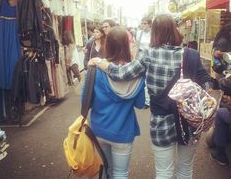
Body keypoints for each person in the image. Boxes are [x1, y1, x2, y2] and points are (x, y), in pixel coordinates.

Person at [89, 14, 213, 179]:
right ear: (175, 30)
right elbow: (207, 84)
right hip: (189, 122)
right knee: (185, 169)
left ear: (154, 33)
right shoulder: (191, 54)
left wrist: (99, 62)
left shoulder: (148, 54)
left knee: (164, 172)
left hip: (161, 122)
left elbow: (121, 74)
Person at [82, 26, 145, 179]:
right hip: (123, 131)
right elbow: (140, 104)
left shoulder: (94, 70)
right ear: (126, 45)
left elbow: (85, 100)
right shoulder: (136, 74)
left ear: (107, 45)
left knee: (105, 168)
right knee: (121, 173)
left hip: (99, 128)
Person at [210, 23, 231, 166]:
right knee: (225, 99)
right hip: (224, 73)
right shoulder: (224, 41)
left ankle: (220, 152)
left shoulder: (223, 38)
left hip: (226, 76)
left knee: (223, 109)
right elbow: (216, 58)